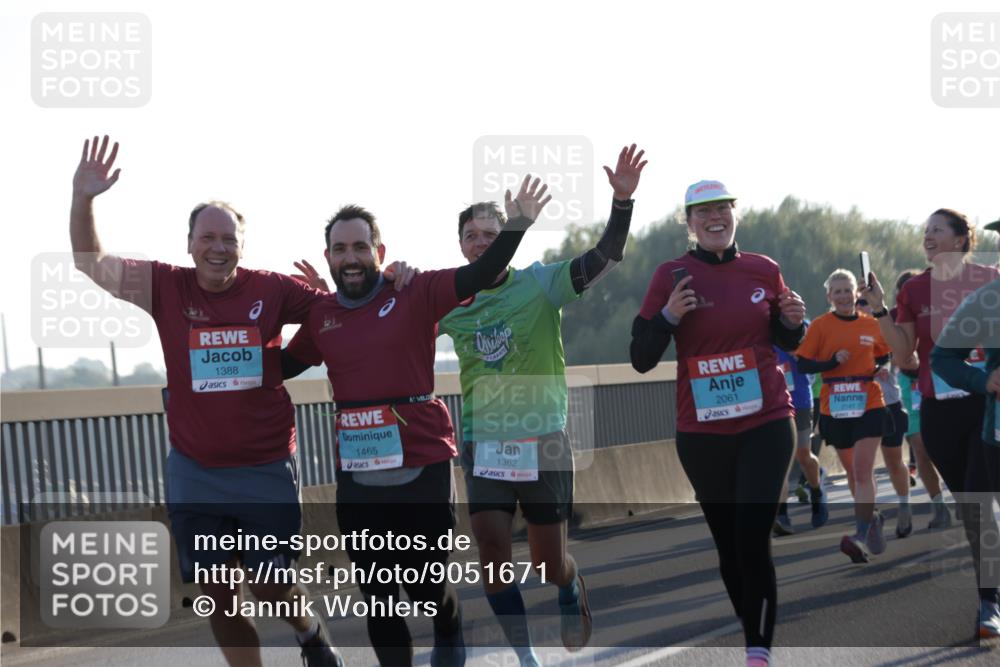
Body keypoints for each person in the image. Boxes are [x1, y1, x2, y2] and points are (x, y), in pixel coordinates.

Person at [68, 136, 419, 667]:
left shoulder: (272, 290)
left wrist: (393, 279)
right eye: (207, 237)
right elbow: (90, 262)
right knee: (218, 595)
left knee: (270, 587)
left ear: (241, 246)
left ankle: (309, 632)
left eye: (228, 239)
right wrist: (84, 197)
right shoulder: (166, 286)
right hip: (195, 470)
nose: (218, 247)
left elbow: (349, 300)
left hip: (263, 466)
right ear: (189, 244)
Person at [281, 176, 551, 667]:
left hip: (422, 463)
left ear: (379, 251)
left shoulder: (415, 290)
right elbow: (276, 368)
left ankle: (448, 627)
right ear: (328, 259)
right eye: (340, 249)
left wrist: (516, 228)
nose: (351, 257)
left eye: (361, 246)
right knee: (380, 597)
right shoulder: (321, 315)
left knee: (425, 586)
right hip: (358, 474)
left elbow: (482, 271)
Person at [435, 144, 645, 665]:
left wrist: (621, 203)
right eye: (472, 236)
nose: (481, 242)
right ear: (460, 246)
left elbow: (606, 259)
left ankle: (570, 587)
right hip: (485, 441)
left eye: (490, 233)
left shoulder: (539, 283)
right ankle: (525, 655)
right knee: (491, 554)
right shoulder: (449, 302)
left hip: (543, 437)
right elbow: (389, 322)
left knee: (549, 563)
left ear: (503, 236)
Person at [630, 180, 806, 667]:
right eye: (703, 212)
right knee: (729, 544)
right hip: (703, 432)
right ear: (688, 223)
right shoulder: (672, 275)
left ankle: (758, 653)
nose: (715, 218)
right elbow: (640, 357)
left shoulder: (763, 269)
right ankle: (754, 637)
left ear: (735, 216)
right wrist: (667, 316)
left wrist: (794, 321)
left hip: (767, 420)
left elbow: (787, 339)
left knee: (753, 536)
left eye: (723, 209)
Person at [863, 208, 1000, 638]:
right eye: (925, 232)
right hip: (940, 409)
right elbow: (906, 356)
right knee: (974, 507)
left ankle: (988, 601)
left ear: (962, 240)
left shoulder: (990, 281)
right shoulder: (917, 288)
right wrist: (881, 309)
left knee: (981, 501)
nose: (928, 237)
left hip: (985, 404)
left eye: (937, 231)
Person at [796, 270, 892, 563]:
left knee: (863, 471)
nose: (842, 296)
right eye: (836, 291)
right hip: (835, 405)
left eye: (847, 290)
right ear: (829, 296)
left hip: (869, 401)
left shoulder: (871, 324)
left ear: (856, 293)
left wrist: (878, 367)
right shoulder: (821, 327)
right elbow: (803, 365)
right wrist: (830, 361)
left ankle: (860, 536)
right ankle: (872, 518)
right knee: (853, 474)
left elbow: (884, 351)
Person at [930, 276, 1000, 638]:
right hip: (997, 431)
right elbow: (942, 358)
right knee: (980, 507)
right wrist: (983, 381)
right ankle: (991, 600)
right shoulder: (987, 299)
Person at [892, 270, 951, 530]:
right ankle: (939, 507)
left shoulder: (938, 310)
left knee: (949, 445)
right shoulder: (893, 318)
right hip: (911, 386)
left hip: (941, 379)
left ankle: (963, 492)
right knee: (920, 448)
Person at [855, 298, 914, 538]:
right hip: (860, 408)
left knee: (893, 461)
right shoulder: (850, 334)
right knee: (862, 468)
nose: (865, 318)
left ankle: (904, 506)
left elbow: (896, 356)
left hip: (889, 404)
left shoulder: (888, 331)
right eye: (861, 314)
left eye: (870, 313)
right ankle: (871, 516)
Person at [772, 339, 829, 535]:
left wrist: (799, 352)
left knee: (803, 455)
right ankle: (782, 515)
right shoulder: (758, 330)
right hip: (772, 405)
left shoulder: (801, 327)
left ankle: (816, 491)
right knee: (779, 462)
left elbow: (816, 361)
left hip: (800, 401)